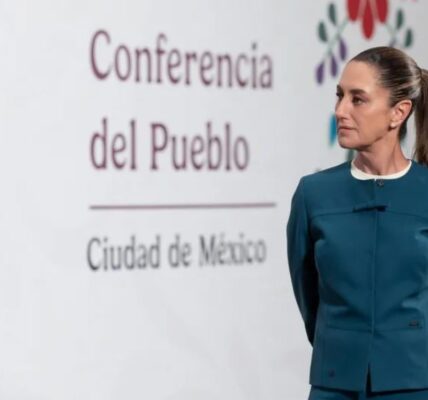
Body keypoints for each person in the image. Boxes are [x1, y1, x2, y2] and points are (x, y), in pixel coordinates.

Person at [286, 46, 428, 399]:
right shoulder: (313, 193)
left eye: (357, 99)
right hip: (334, 384)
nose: (340, 111)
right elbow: (308, 295)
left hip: (415, 383)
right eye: (339, 96)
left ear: (398, 112)